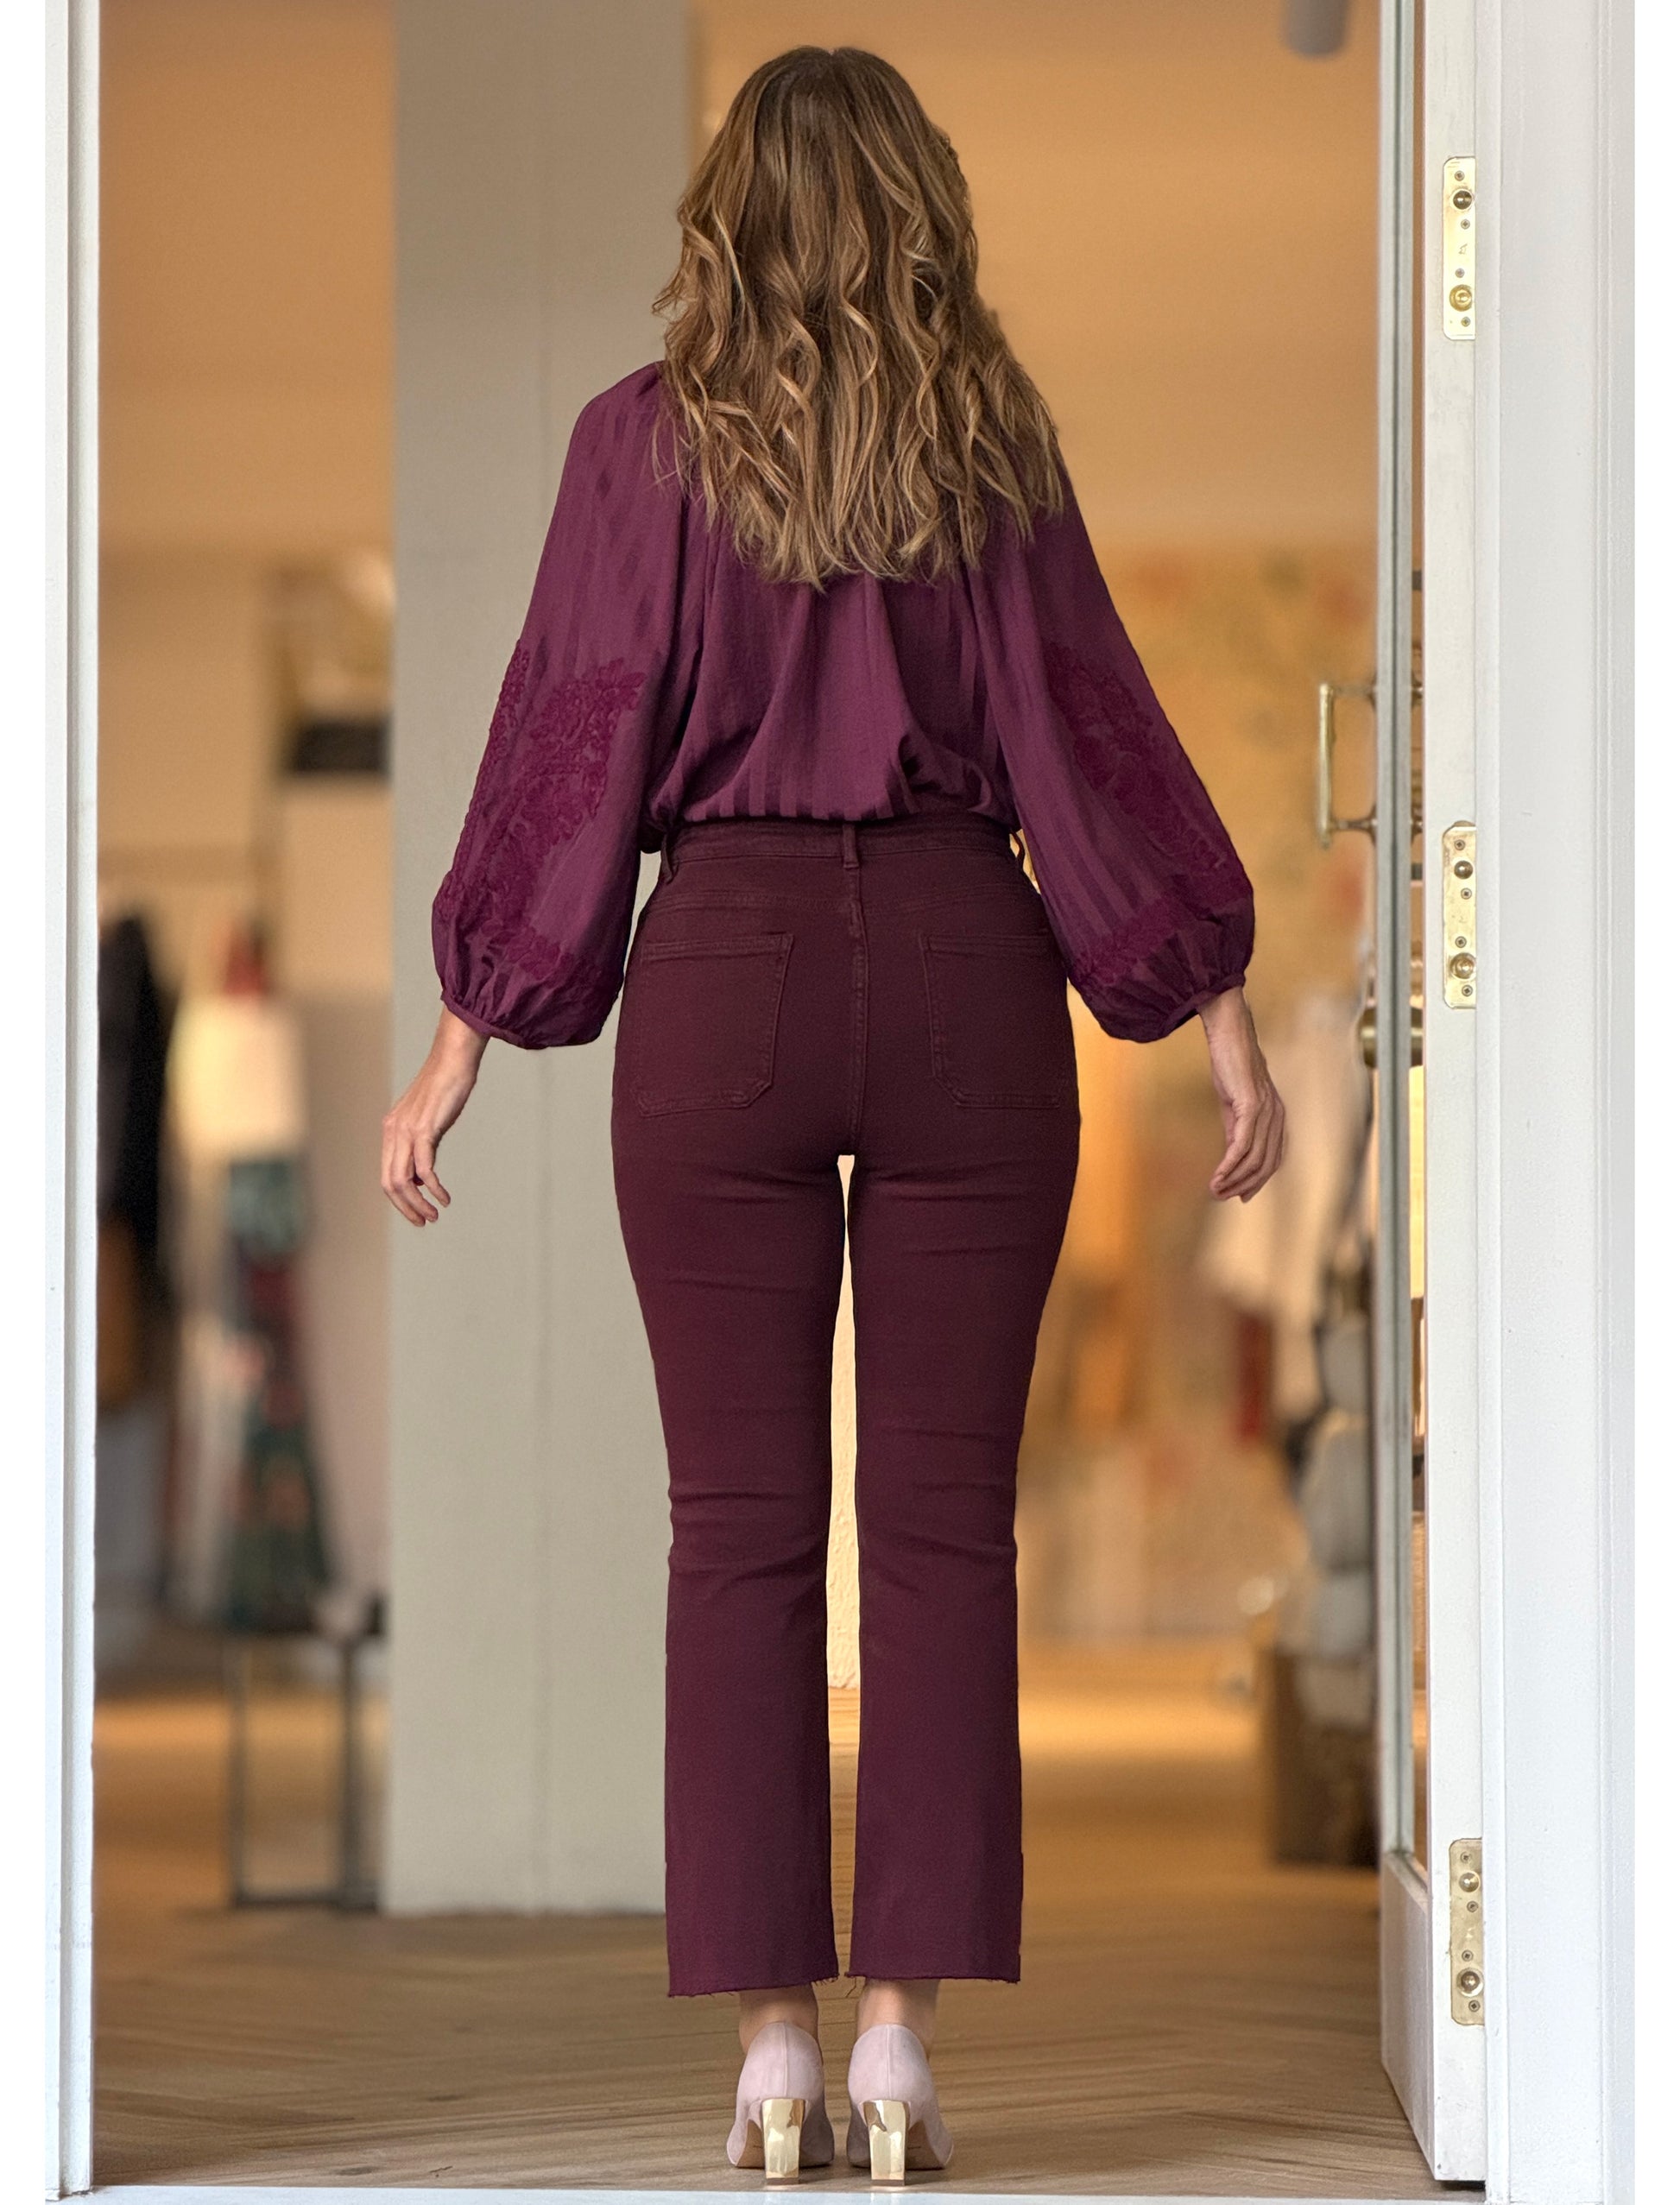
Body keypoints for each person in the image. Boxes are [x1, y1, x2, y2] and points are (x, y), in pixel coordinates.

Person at [382, 45, 1285, 2184]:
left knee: (738, 1532)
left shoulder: (637, 444)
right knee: (945, 1533)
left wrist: (463, 1033)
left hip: (729, 978)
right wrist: (1217, 1007)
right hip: (973, 966)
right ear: (922, 207)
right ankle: (898, 2044)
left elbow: (571, 734)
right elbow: (1088, 732)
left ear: (728, 217)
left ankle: (772, 2050)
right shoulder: (992, 442)